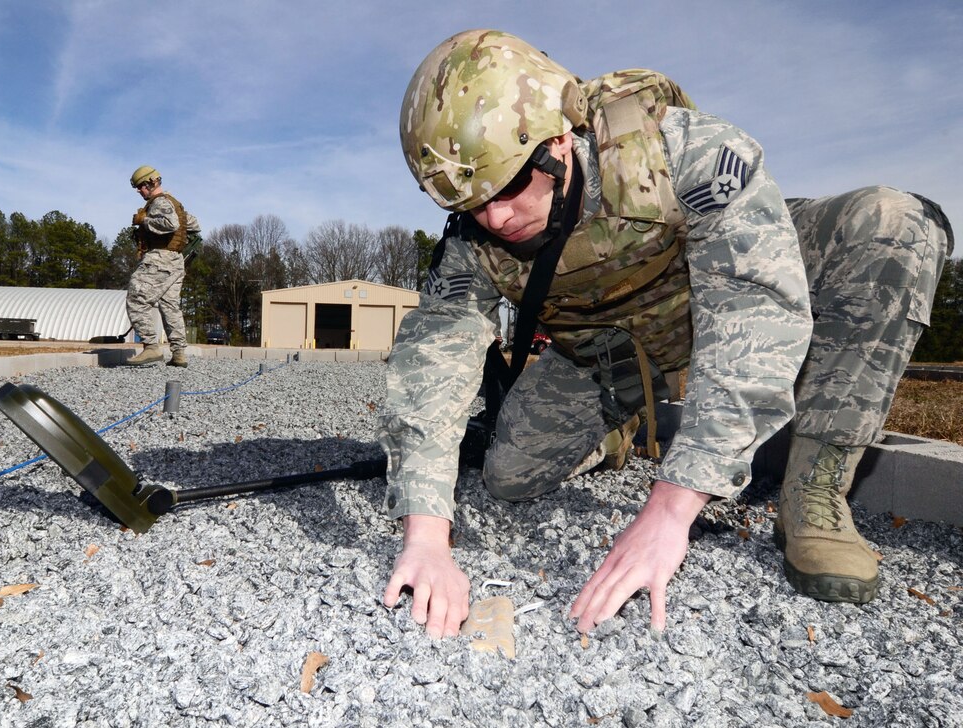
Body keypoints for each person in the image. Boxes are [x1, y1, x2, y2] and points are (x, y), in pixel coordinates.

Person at [378, 29, 953, 638]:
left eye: (512, 184)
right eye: (472, 202)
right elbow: (432, 365)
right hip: (609, 353)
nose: (495, 217)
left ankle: (815, 490)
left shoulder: (679, 151)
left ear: (557, 141)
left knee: (892, 223)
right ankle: (621, 425)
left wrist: (672, 504)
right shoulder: (475, 241)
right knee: (508, 477)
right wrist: (427, 537)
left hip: (712, 294)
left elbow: (752, 306)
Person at [124, 165, 201, 367]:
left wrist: (145, 221)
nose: (139, 190)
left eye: (141, 186)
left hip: (160, 259)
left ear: (152, 182)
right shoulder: (174, 203)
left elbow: (171, 224)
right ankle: (179, 354)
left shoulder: (159, 202)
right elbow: (193, 224)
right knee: (170, 306)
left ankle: (151, 347)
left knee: (136, 298)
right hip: (176, 261)